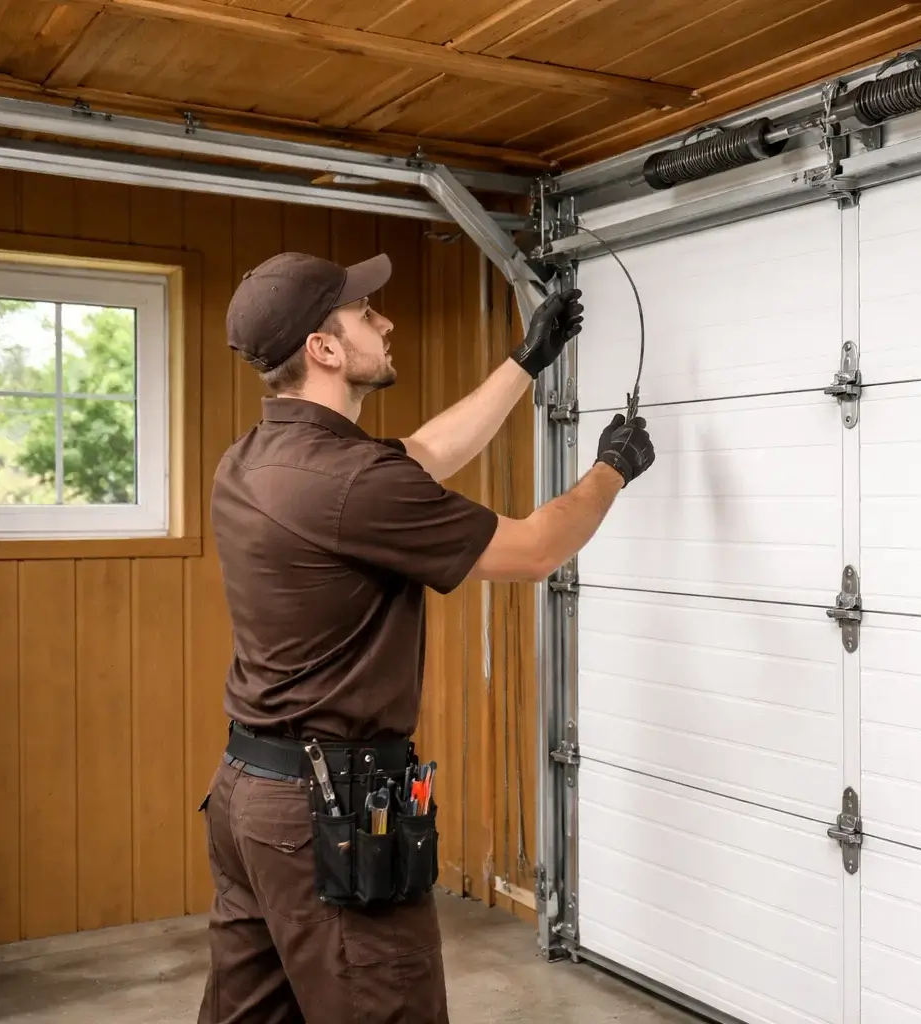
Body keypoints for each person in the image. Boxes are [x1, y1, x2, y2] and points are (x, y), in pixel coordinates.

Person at [197, 251, 653, 1023]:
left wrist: (525, 362)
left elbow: (425, 455)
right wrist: (610, 469)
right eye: (366, 314)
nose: (387, 321)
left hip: (248, 795)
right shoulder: (353, 484)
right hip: (327, 813)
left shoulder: (253, 460)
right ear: (325, 349)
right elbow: (537, 548)